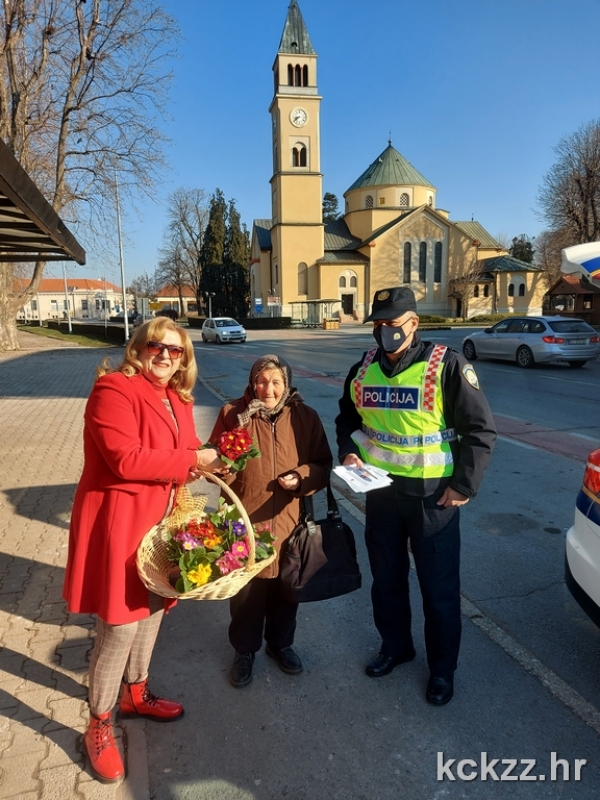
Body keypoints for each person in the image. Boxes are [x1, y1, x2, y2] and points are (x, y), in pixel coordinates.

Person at [63, 318, 224, 783]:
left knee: (153, 610)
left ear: (183, 359)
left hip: (160, 525)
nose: (165, 356)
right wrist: (192, 461)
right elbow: (124, 458)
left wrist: (216, 465)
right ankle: (98, 722)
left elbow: (188, 450)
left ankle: (136, 693)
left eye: (175, 351)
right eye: (157, 346)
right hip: (119, 524)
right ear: (139, 347)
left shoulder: (177, 397)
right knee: (118, 626)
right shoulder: (114, 389)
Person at [335, 287, 496, 705]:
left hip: (433, 498)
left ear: (413, 323)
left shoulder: (446, 365)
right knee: (386, 581)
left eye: (393, 323)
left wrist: (463, 486)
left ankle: (442, 671)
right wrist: (350, 452)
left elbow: (480, 430)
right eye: (379, 323)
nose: (385, 331)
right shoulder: (363, 368)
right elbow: (347, 418)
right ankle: (396, 647)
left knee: (438, 590)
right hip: (381, 493)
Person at [209, 354, 332, 688]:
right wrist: (224, 465)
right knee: (246, 593)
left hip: (289, 521)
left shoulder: (305, 417)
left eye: (276, 381)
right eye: (262, 381)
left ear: (287, 384)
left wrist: (302, 477)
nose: (269, 389)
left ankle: (280, 645)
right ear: (252, 383)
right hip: (245, 522)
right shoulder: (233, 414)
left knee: (286, 590)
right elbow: (212, 463)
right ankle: (244, 651)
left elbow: (323, 463)